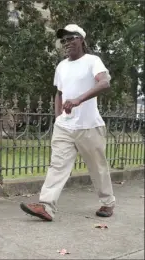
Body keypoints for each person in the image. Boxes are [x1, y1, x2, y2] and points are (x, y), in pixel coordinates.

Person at [20, 24, 116, 221]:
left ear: (81, 39)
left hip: (89, 126)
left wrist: (79, 100)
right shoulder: (61, 66)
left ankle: (107, 202)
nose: (66, 43)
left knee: (97, 167)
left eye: (70, 38)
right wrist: (58, 118)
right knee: (57, 166)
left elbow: (104, 82)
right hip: (65, 127)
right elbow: (60, 93)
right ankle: (46, 206)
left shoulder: (93, 61)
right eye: (63, 40)